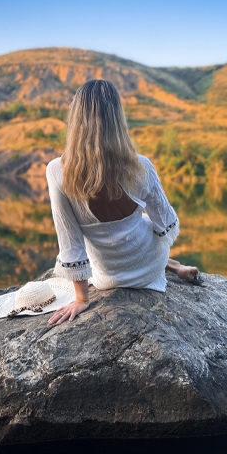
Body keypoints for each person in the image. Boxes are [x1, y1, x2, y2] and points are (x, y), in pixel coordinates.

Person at [46, 79, 198, 326]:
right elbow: (166, 225)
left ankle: (172, 266)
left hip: (108, 277)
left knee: (112, 234)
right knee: (146, 223)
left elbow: (70, 244)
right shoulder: (141, 166)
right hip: (148, 265)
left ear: (74, 118)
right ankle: (171, 265)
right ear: (118, 119)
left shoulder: (57, 171)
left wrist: (81, 299)